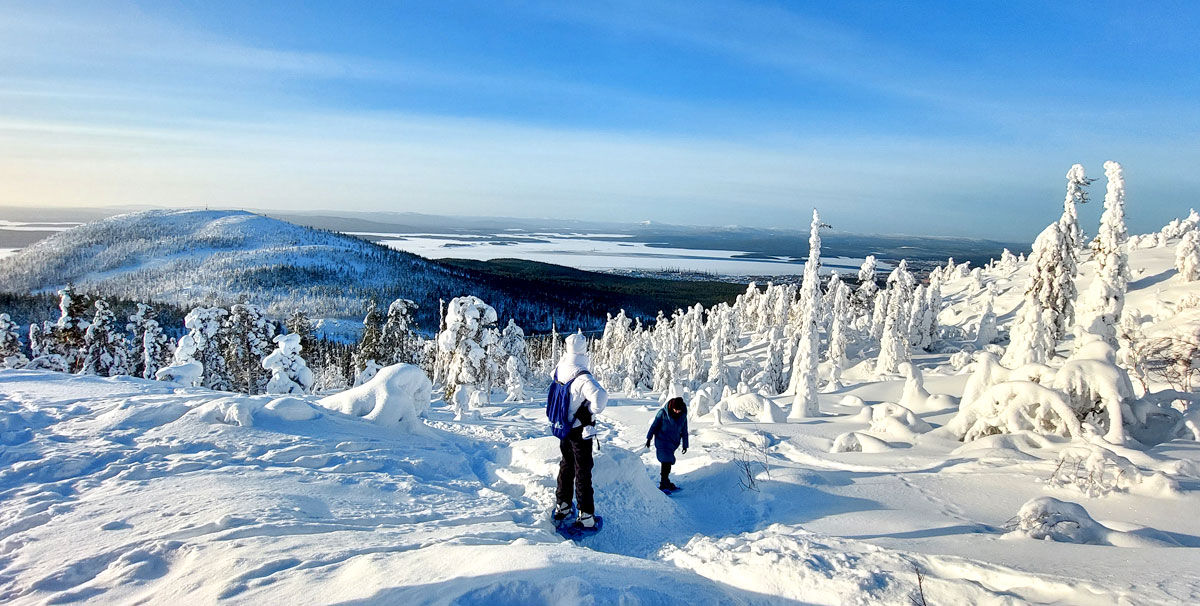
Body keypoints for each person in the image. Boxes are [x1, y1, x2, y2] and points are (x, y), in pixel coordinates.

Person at [552, 332, 608, 528]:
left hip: (563, 427)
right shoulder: (583, 377)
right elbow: (600, 397)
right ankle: (586, 516)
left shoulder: (561, 367)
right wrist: (589, 411)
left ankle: (563, 505)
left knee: (566, 465)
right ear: (584, 350)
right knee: (583, 470)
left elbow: (553, 378)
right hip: (579, 430)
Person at [646, 396, 688, 491]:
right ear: (672, 407)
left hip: (673, 443)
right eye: (676, 409)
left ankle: (665, 482)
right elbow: (654, 426)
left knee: (667, 462)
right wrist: (649, 438)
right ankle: (664, 483)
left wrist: (685, 445)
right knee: (666, 461)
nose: (677, 412)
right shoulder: (662, 413)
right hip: (662, 440)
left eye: (679, 410)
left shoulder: (683, 416)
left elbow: (684, 431)